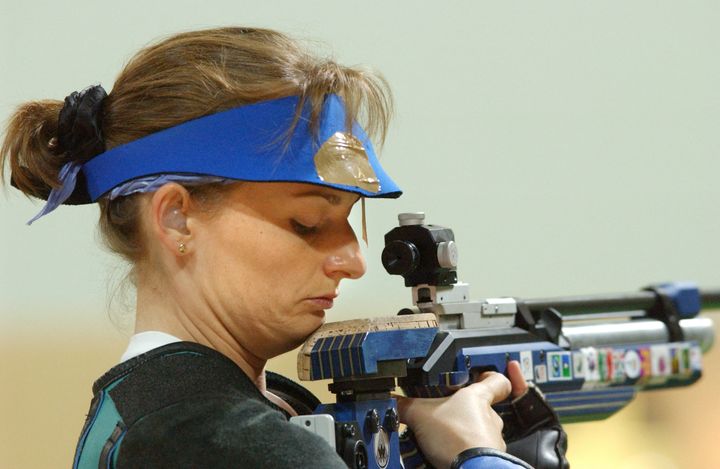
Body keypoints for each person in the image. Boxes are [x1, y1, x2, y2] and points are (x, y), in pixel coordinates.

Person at [1, 27, 566, 469]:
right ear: (176, 218)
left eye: (348, 222)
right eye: (306, 223)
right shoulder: (211, 436)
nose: (354, 259)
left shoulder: (219, 408)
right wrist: (479, 452)